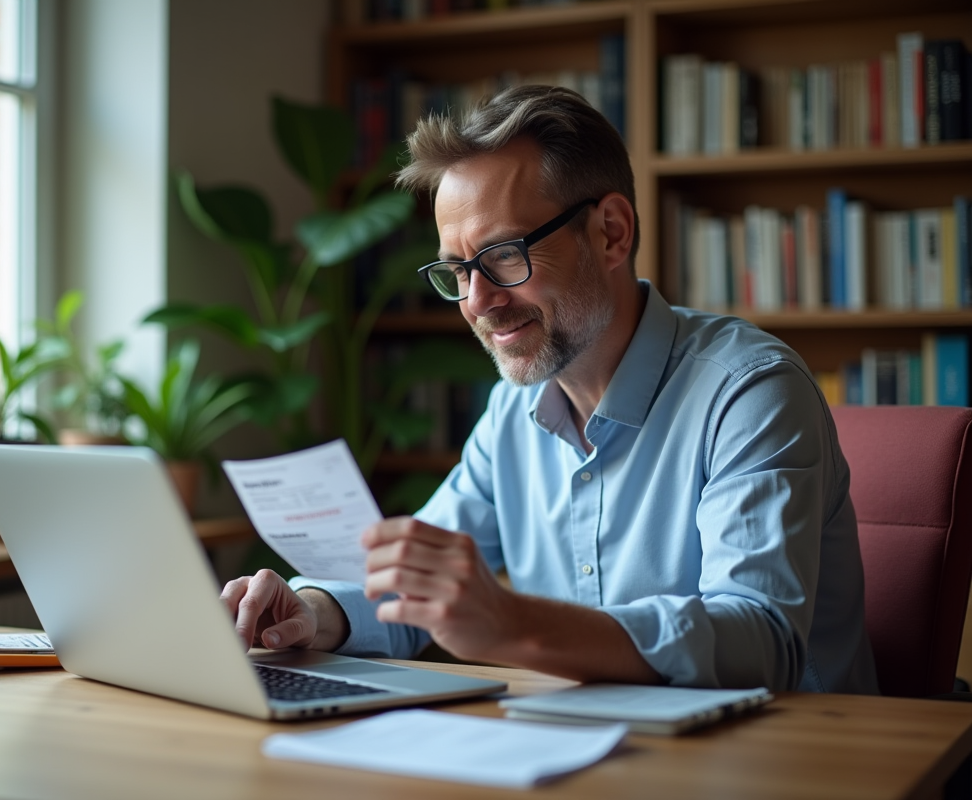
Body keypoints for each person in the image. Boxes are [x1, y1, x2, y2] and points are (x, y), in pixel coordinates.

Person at [221, 85, 879, 694]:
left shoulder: (750, 392)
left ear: (611, 233)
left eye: (504, 255)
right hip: (585, 754)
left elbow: (760, 640)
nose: (478, 302)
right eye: (457, 270)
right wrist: (310, 612)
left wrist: (512, 624)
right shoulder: (513, 410)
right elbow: (417, 589)